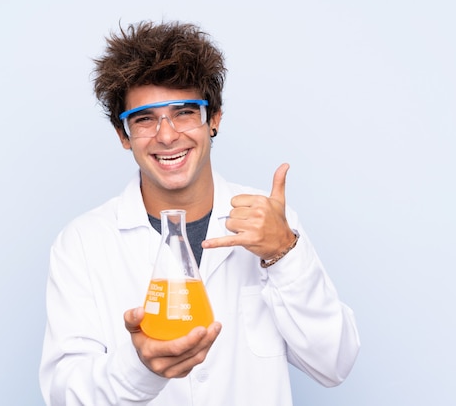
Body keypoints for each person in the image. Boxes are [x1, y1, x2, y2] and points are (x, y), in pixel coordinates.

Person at [39, 20, 360, 406]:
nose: (167, 135)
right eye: (144, 119)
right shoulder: (84, 243)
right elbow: (64, 393)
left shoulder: (271, 223)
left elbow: (334, 363)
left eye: (185, 112)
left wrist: (284, 254)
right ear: (123, 136)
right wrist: (140, 368)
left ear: (215, 119)